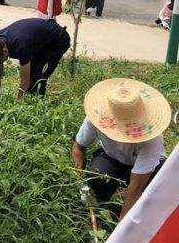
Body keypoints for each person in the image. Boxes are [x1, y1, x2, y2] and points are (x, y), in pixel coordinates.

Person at [71, 78, 171, 220]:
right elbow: (79, 148)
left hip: (149, 169)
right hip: (112, 158)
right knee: (97, 177)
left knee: (158, 192)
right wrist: (80, 182)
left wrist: (121, 227)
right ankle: (98, 205)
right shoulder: (96, 119)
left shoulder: (152, 140)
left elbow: (136, 186)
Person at [0, 17, 71, 99]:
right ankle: (30, 98)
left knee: (37, 79)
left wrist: (18, 101)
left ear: (5, 51)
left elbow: (25, 79)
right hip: (39, 41)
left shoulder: (20, 46)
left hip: (57, 40)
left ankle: (38, 105)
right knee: (32, 78)